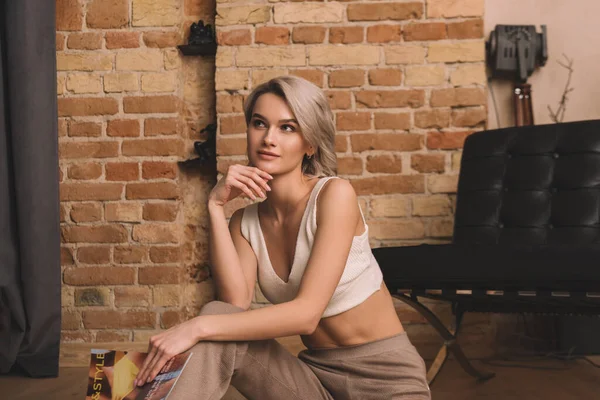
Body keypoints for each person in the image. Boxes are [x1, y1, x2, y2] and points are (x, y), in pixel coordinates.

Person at [133, 75, 431, 399]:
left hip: (386, 382)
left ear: (310, 143)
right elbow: (234, 308)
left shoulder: (334, 195)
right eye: (260, 124)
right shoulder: (244, 224)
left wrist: (195, 327)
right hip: (315, 382)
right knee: (219, 319)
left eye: (287, 128)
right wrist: (215, 206)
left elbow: (306, 315)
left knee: (209, 324)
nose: (268, 139)